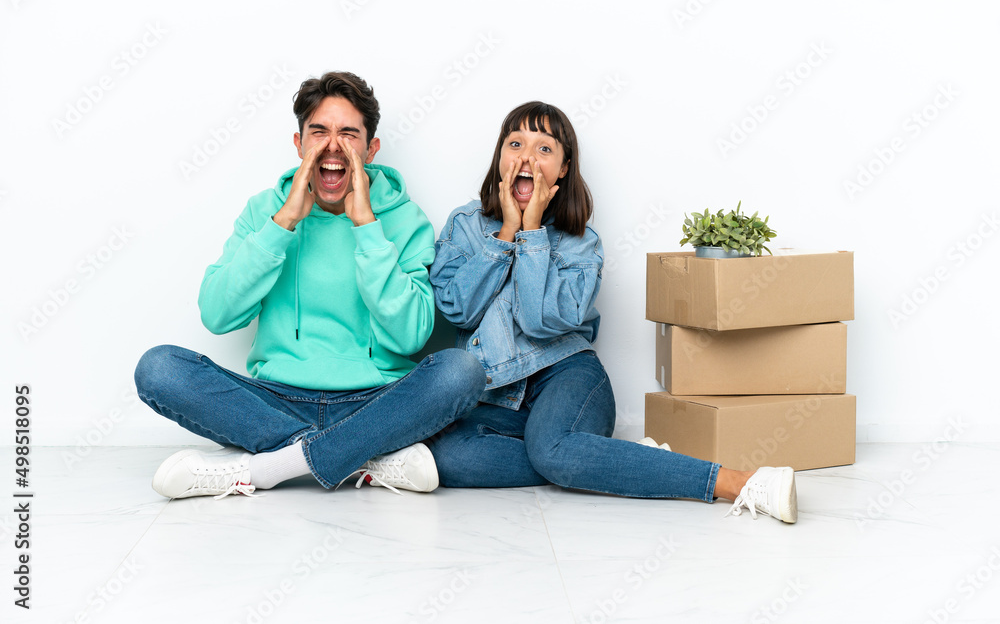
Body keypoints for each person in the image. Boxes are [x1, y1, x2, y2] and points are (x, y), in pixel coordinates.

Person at [425, 101, 797, 523]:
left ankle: (735, 482)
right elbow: (456, 310)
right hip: (496, 395)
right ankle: (605, 458)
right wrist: (505, 233)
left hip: (568, 375)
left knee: (550, 448)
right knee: (451, 457)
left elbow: (539, 321)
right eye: (516, 144)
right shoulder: (465, 226)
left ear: (563, 170)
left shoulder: (581, 243)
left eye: (544, 149)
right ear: (500, 159)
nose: (526, 157)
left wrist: (530, 233)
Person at [134, 71, 484, 499]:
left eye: (348, 134)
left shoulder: (405, 220)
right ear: (299, 145)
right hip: (274, 402)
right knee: (159, 368)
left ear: (370, 149)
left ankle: (269, 467)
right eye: (319, 132)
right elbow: (217, 314)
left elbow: (410, 335)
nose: (333, 146)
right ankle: (364, 457)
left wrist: (366, 226)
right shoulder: (265, 210)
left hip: (375, 403)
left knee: (461, 371)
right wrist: (283, 224)